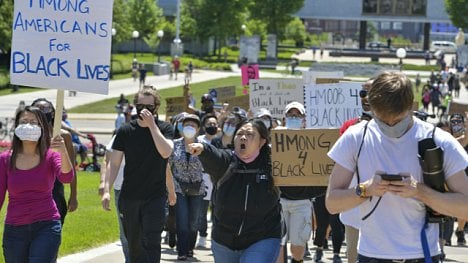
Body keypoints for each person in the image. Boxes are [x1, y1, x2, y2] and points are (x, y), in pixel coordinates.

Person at [326, 71, 468, 263]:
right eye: (383, 120)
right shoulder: (355, 137)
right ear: (372, 108)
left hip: (422, 254)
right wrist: (365, 190)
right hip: (371, 255)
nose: (391, 125)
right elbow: (332, 203)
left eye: (397, 119)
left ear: (410, 106)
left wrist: (420, 192)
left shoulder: (438, 141)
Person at [187, 119, 282, 262]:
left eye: (250, 135)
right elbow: (215, 155)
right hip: (224, 240)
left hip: (263, 237)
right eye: (240, 134)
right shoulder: (226, 162)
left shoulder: (274, 165)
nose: (243, 137)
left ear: (262, 142)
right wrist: (203, 149)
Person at [101, 86, 175, 262]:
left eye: (149, 107)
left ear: (156, 107)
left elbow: (166, 152)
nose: (145, 110)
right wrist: (106, 190)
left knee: (151, 241)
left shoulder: (165, 129)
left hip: (155, 197)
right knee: (134, 245)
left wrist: (152, 127)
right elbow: (115, 163)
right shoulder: (126, 131)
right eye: (141, 106)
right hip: (130, 196)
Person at [0, 106, 74, 262]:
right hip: (15, 229)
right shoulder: (5, 159)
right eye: (24, 121)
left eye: (33, 122)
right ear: (16, 127)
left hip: (46, 225)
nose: (28, 125)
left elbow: (67, 177)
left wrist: (63, 151)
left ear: (42, 127)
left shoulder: (51, 155)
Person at [275, 102, 318, 263]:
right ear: (285, 119)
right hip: (280, 201)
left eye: (297, 115)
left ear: (303, 119)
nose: (294, 118)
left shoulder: (312, 143)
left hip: (302, 202)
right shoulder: (276, 142)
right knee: (278, 243)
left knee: (298, 246)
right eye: (291, 115)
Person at [338, 79, 373, 263]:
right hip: (354, 201)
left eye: (371, 92)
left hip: (383, 205)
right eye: (362, 93)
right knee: (352, 253)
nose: (366, 98)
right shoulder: (349, 126)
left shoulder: (393, 127)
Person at [31, 98, 79, 224]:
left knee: (52, 231)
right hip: (31, 189)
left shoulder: (64, 136)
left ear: (53, 113)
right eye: (38, 109)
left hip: (55, 189)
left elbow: (71, 168)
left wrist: (73, 196)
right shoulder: (27, 136)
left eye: (46, 108)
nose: (42, 112)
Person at [168, 114, 205, 260]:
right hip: (179, 188)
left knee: (193, 222)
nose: (190, 128)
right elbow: (168, 166)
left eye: (193, 125)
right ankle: (182, 251)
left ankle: (190, 248)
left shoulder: (203, 145)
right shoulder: (174, 144)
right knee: (182, 221)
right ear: (182, 128)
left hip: (197, 189)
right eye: (187, 125)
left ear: (198, 129)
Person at [195, 114, 218, 249]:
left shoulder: (219, 141)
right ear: (204, 127)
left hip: (217, 179)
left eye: (214, 124)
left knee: (217, 210)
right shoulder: (199, 140)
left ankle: (215, 237)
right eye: (209, 124)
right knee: (201, 210)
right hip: (203, 179)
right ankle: (202, 235)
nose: (212, 126)